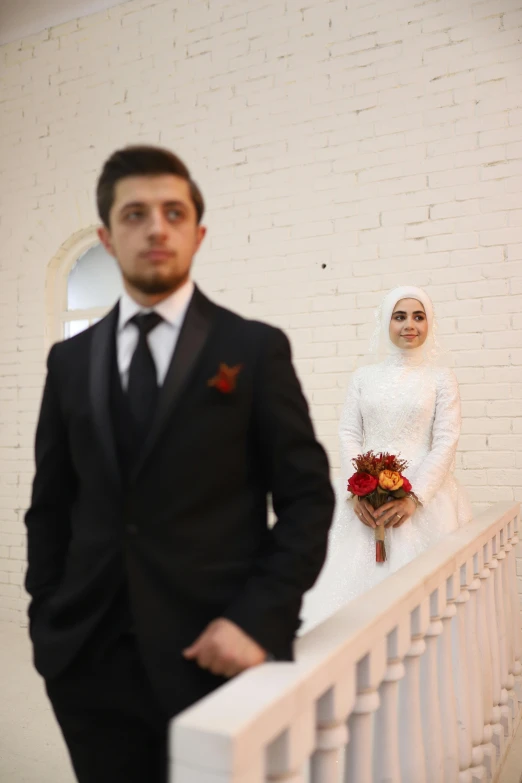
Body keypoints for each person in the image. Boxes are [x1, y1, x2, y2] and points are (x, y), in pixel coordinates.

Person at [24, 145, 335, 783]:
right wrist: (49, 626)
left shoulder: (252, 349)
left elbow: (307, 499)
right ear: (108, 238)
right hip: (89, 663)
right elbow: (51, 505)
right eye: (135, 214)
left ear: (198, 232)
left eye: (173, 211)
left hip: (216, 653)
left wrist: (257, 619)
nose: (156, 227)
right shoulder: (69, 364)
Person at [301, 285, 472, 633]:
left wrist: (414, 497)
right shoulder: (364, 377)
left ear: (429, 324)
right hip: (364, 498)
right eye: (400, 316)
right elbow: (349, 433)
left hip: (423, 499)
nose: (410, 324)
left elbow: (445, 440)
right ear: (386, 322)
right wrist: (358, 489)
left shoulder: (441, 378)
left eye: (418, 316)